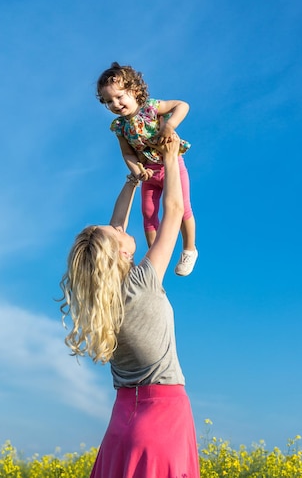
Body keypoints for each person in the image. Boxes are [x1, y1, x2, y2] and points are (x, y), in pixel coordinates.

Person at [59, 134, 200, 478]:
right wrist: (169, 159)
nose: (117, 226)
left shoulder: (101, 300)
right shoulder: (141, 282)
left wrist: (133, 182)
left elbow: (118, 224)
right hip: (163, 419)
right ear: (121, 254)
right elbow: (175, 212)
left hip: (122, 423)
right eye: (114, 231)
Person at [96, 62, 198, 277]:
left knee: (182, 208)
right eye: (109, 101)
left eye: (120, 96)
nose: (115, 104)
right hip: (149, 172)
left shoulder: (151, 108)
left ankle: (189, 249)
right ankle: (154, 258)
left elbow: (182, 105)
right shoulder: (120, 127)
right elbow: (127, 153)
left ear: (134, 91)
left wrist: (169, 126)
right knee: (148, 213)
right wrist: (137, 170)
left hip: (171, 164)